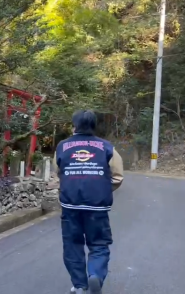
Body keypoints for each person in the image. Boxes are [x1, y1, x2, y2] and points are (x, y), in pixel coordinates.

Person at [53, 110, 124, 294]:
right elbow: (117, 177)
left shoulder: (62, 146)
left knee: (72, 245)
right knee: (99, 244)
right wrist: (102, 189)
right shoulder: (107, 147)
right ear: (94, 125)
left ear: (74, 125)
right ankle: (95, 275)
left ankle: (79, 286)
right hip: (98, 207)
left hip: (70, 206)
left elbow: (57, 173)